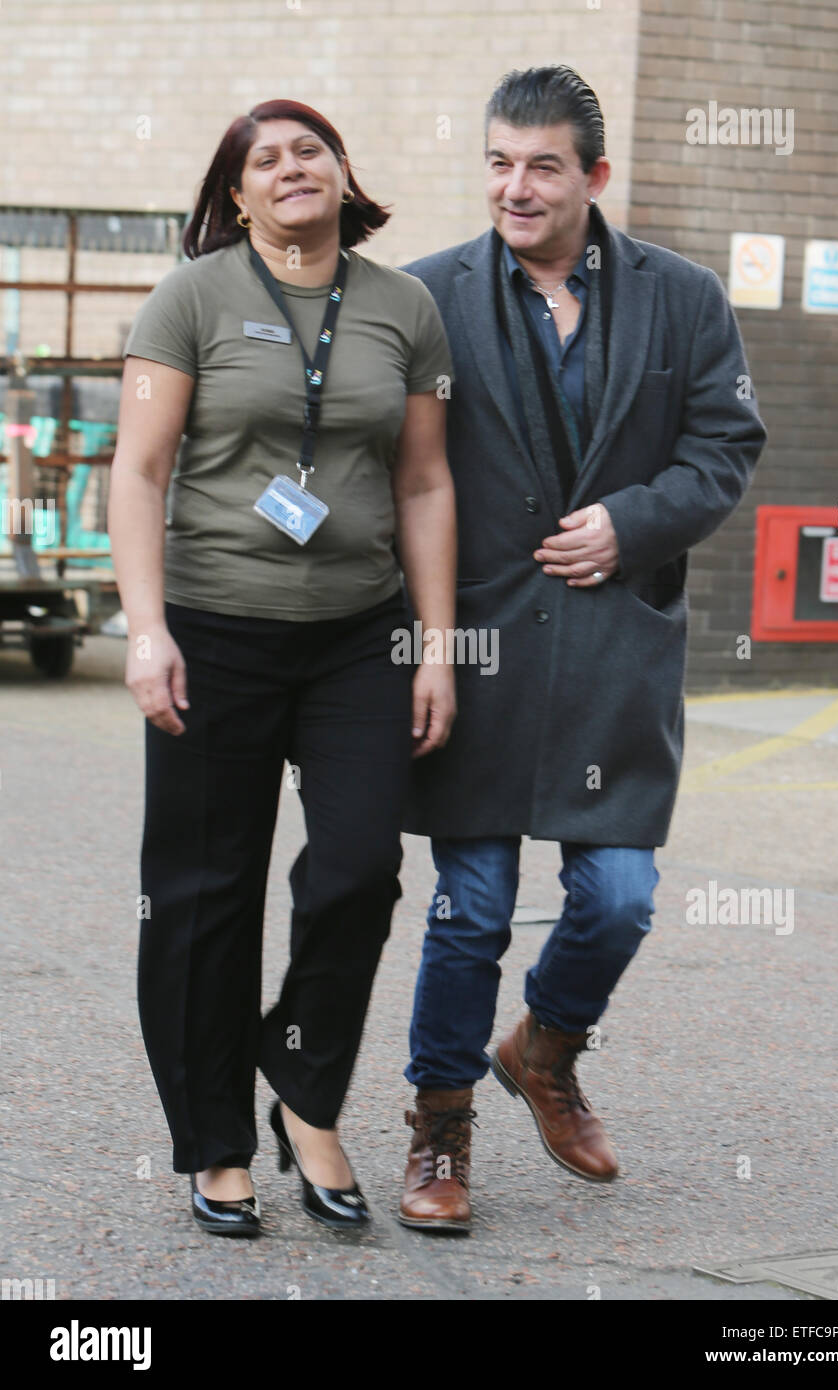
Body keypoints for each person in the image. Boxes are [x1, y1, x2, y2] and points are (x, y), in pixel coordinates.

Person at [397, 66, 767, 1232]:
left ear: (592, 175)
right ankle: (438, 1125)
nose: (515, 186)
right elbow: (399, 472)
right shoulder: (427, 295)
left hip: (614, 646)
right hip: (479, 643)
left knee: (616, 898)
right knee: (471, 902)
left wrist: (633, 519)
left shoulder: (685, 297)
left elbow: (723, 444)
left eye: (541, 165)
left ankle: (544, 1047)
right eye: (499, 162)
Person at [108, 98, 456, 1238]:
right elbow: (141, 470)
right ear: (238, 194)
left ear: (343, 173)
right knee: (206, 895)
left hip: (358, 632)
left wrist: (436, 641)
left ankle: (302, 1088)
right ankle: (214, 1142)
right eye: (265, 158)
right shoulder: (191, 297)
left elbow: (421, 482)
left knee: (358, 866)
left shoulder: (401, 305)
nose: (291, 166)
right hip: (215, 628)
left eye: (309, 147)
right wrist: (147, 629)